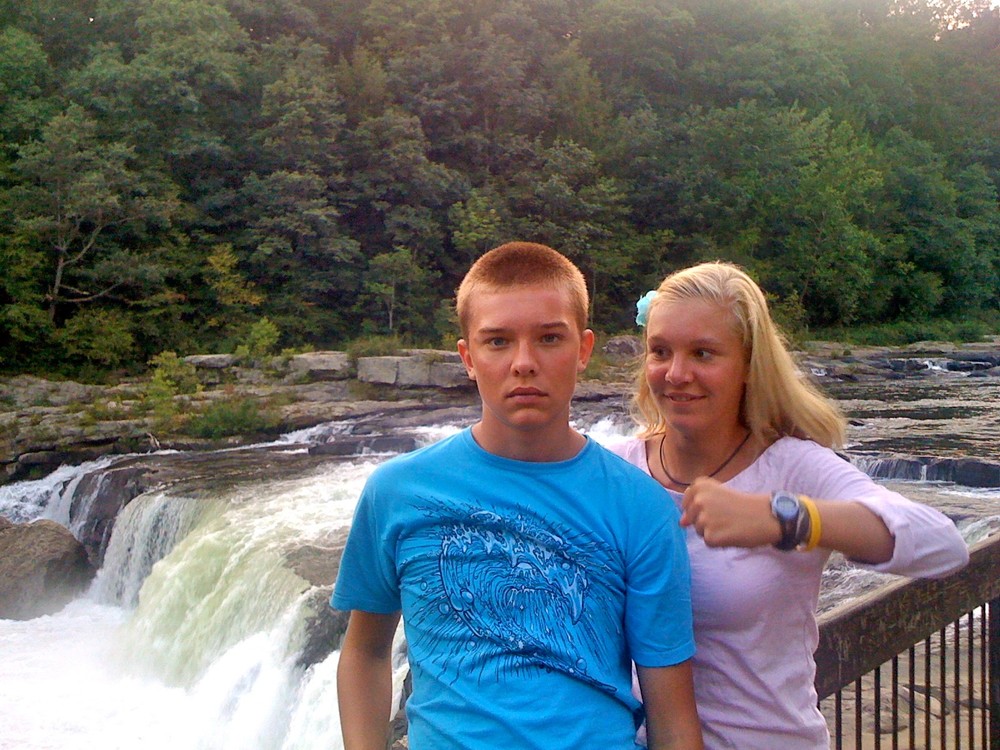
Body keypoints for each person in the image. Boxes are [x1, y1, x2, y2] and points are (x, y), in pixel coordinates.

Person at [332, 242, 704, 750]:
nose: (524, 363)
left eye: (549, 338)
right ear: (468, 357)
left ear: (583, 350)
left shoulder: (643, 508)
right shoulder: (396, 492)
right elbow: (366, 651)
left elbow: (672, 712)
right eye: (498, 341)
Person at [611, 261, 970, 749]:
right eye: (660, 351)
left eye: (703, 353)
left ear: (748, 364)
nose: (676, 373)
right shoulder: (618, 469)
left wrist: (787, 518)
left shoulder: (792, 467)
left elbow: (943, 545)